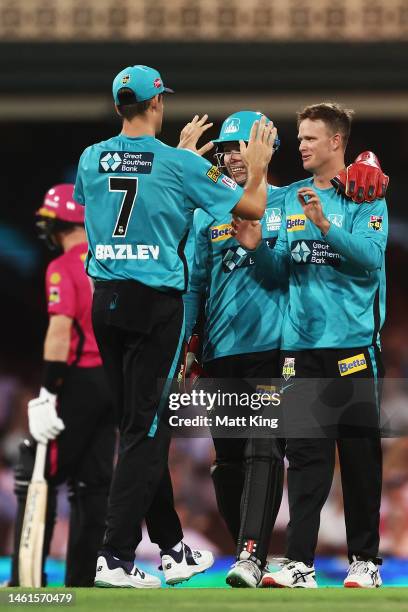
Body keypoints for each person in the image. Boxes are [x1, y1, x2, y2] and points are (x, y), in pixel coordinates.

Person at [73, 64, 277, 588]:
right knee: (146, 430)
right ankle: (114, 555)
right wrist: (253, 167)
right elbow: (251, 207)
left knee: (138, 428)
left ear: (120, 106)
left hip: (107, 302)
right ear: (158, 103)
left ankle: (171, 549)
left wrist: (179, 161)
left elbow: (100, 200)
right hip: (154, 307)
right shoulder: (177, 164)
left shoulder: (90, 157)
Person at [232, 102, 388, 588]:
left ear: (337, 142)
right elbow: (280, 271)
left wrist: (327, 227)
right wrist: (257, 250)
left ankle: (366, 561)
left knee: (360, 456)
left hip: (352, 346)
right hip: (299, 347)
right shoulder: (286, 199)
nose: (300, 145)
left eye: (310, 138)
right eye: (299, 137)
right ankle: (299, 562)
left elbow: (370, 260)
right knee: (304, 459)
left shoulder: (366, 194)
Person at [183, 110, 287, 588]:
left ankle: (251, 553)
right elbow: (194, 285)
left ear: (265, 147)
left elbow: (286, 277)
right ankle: (247, 550)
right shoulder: (207, 212)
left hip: (275, 348)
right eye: (225, 149)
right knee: (226, 462)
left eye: (240, 146)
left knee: (263, 449)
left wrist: (257, 246)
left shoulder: (286, 204)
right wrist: (187, 344)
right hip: (222, 352)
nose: (231, 156)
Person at [10, 184, 116, 587]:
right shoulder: (112, 261)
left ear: (56, 225)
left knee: (36, 470)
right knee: (93, 485)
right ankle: (82, 585)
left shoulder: (62, 267)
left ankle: (26, 580)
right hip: (113, 381)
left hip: (79, 379)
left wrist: (48, 393)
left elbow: (59, 331)